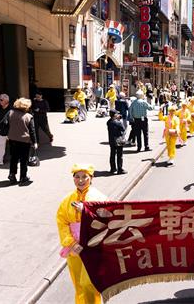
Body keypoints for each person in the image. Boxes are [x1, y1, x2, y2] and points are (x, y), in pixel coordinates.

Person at [56, 164, 107, 304]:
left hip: (92, 248)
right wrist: (71, 243)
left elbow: (106, 220)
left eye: (84, 177)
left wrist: (86, 211)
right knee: (78, 285)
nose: (80, 180)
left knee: (88, 284)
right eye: (77, 177)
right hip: (74, 249)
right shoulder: (67, 200)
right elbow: (62, 222)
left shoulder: (99, 197)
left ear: (91, 178)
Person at [7, 98, 37, 184]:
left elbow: (4, 123)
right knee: (24, 159)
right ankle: (23, 177)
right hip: (24, 140)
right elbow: (32, 130)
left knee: (14, 158)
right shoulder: (28, 116)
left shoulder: (10, 113)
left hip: (12, 139)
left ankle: (12, 174)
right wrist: (34, 142)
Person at [107, 109, 127, 175]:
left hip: (111, 140)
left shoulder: (109, 122)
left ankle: (113, 168)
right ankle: (120, 169)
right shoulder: (118, 122)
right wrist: (119, 120)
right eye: (117, 114)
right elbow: (123, 129)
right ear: (115, 115)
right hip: (118, 140)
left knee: (112, 155)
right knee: (119, 155)